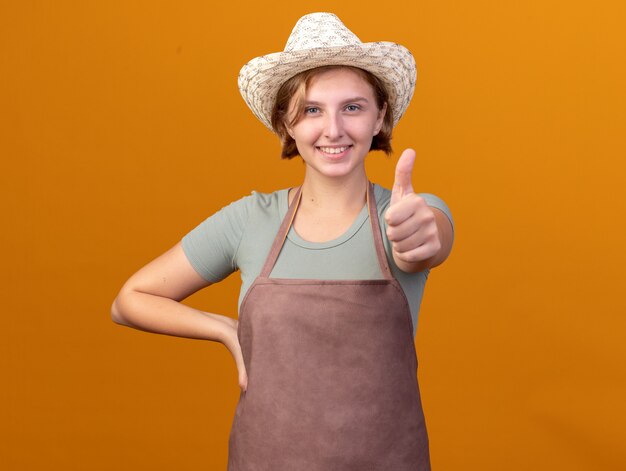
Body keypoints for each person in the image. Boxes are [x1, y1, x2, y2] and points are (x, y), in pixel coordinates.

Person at [112, 12, 454, 470]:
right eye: (312, 110)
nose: (333, 128)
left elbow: (430, 238)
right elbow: (128, 300)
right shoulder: (250, 220)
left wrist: (422, 234)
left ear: (380, 118)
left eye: (352, 107)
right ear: (287, 125)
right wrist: (224, 330)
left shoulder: (406, 213)